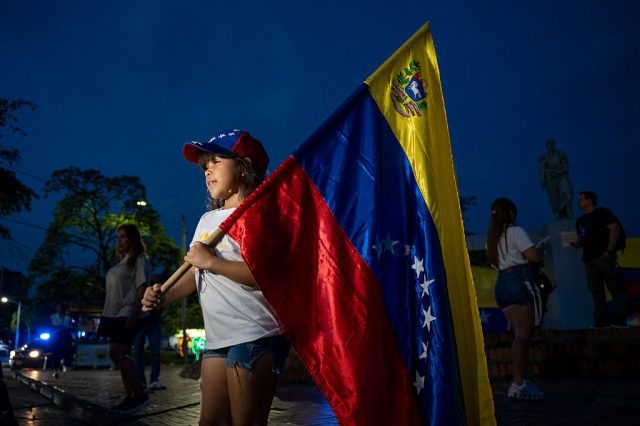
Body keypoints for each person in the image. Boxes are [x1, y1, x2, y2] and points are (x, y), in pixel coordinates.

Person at [141, 129, 290, 425]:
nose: (207, 169)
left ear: (244, 166)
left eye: (216, 161)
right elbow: (195, 272)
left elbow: (270, 277)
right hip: (218, 338)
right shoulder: (207, 221)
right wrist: (164, 297)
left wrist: (211, 261)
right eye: (204, 165)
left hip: (255, 334)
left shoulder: (260, 214)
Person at [486, 198, 545, 400]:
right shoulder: (515, 231)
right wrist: (539, 251)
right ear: (510, 212)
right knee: (523, 335)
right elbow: (533, 256)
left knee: (518, 335)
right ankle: (518, 383)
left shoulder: (492, 238)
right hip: (518, 279)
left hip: (502, 283)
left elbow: (494, 263)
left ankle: (520, 380)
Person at [99, 224, 151, 413]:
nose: (119, 240)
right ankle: (131, 395)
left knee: (117, 352)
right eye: (118, 237)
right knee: (121, 354)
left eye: (123, 237)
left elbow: (141, 288)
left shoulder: (140, 260)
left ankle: (140, 393)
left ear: (133, 238)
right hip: (113, 313)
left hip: (126, 312)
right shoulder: (123, 261)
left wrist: (134, 314)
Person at [572, 191, 627, 328]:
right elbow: (582, 236)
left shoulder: (602, 213)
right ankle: (600, 321)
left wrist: (608, 251)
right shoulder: (581, 220)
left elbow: (614, 229)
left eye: (581, 199)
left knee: (615, 288)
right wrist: (577, 243)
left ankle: (621, 320)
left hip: (603, 257)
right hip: (589, 259)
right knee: (596, 291)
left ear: (589, 200)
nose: (578, 202)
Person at [133, 281, 166, 391]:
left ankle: (154, 380)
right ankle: (141, 381)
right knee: (138, 351)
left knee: (155, 351)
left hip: (153, 319)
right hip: (139, 320)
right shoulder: (134, 280)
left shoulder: (152, 280)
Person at [539, 138, 573, 219]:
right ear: (547, 146)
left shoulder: (561, 154)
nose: (551, 146)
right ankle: (557, 213)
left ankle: (569, 212)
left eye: (552, 144)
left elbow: (566, 166)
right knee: (554, 197)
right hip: (550, 178)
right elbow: (542, 170)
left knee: (567, 193)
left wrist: (558, 171)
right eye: (549, 144)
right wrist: (543, 180)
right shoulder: (544, 157)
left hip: (561, 176)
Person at [49, 302, 74, 374]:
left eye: (60, 308)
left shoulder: (67, 318)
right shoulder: (52, 317)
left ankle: (65, 367)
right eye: (57, 308)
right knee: (56, 354)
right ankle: (55, 368)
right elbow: (50, 327)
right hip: (56, 339)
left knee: (66, 354)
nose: (59, 309)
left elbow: (70, 328)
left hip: (65, 339)